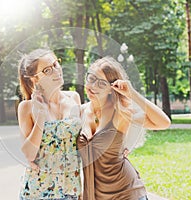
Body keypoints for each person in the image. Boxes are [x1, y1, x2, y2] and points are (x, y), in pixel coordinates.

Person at [77, 56, 171, 200]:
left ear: (111, 88)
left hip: (127, 192)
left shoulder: (121, 112)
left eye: (101, 83)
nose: (93, 86)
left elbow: (163, 122)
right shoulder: (80, 112)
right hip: (96, 195)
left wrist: (131, 93)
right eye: (91, 78)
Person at [17, 48, 82, 199]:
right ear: (35, 79)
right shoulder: (26, 107)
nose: (56, 71)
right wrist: (40, 114)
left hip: (70, 188)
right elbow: (29, 154)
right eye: (47, 70)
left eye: (55, 64)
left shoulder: (74, 98)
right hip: (39, 190)